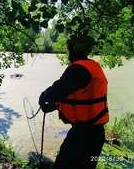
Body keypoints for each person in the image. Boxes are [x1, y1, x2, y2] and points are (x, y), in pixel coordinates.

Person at [39, 34, 109, 169]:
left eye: (68, 47)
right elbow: (81, 98)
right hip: (96, 134)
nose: (67, 51)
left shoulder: (77, 69)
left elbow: (56, 91)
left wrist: (43, 97)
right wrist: (56, 106)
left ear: (73, 49)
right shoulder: (93, 66)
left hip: (83, 136)